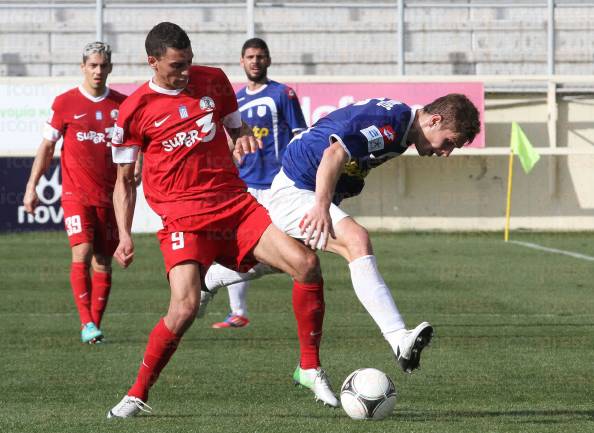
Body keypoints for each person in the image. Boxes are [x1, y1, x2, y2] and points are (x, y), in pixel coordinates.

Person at [107, 22, 339, 419]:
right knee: (182, 309)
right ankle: (137, 393)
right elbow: (124, 181)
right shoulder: (132, 111)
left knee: (307, 264)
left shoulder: (213, 81)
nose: (185, 73)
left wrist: (243, 137)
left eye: (189, 62)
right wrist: (124, 234)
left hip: (234, 204)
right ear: (153, 62)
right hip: (182, 218)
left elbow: (237, 127)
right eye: (177, 66)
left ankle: (309, 367)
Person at [201, 93, 481, 376]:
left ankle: (209, 279)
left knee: (280, 261)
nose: (446, 152)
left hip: (306, 187)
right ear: (435, 120)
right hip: (297, 190)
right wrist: (321, 207)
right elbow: (333, 153)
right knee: (356, 240)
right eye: (449, 143)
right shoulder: (392, 124)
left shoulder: (402, 128)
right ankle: (398, 338)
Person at [23, 42, 127, 344]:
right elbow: (47, 147)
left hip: (109, 198)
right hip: (75, 195)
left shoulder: (121, 106)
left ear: (110, 68)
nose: (97, 70)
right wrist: (32, 186)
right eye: (92, 65)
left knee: (103, 261)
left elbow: (135, 148)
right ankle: (86, 323)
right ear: (83, 67)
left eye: (103, 65)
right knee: (81, 251)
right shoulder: (66, 103)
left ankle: (94, 326)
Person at [206, 37, 307, 329]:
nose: (255, 61)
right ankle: (237, 311)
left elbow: (300, 135)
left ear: (268, 60)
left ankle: (304, 302)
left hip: (279, 185)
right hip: (246, 185)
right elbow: (229, 141)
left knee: (289, 252)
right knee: (238, 247)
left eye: (260, 56)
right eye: (250, 57)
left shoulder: (282, 94)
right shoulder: (235, 100)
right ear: (241, 61)